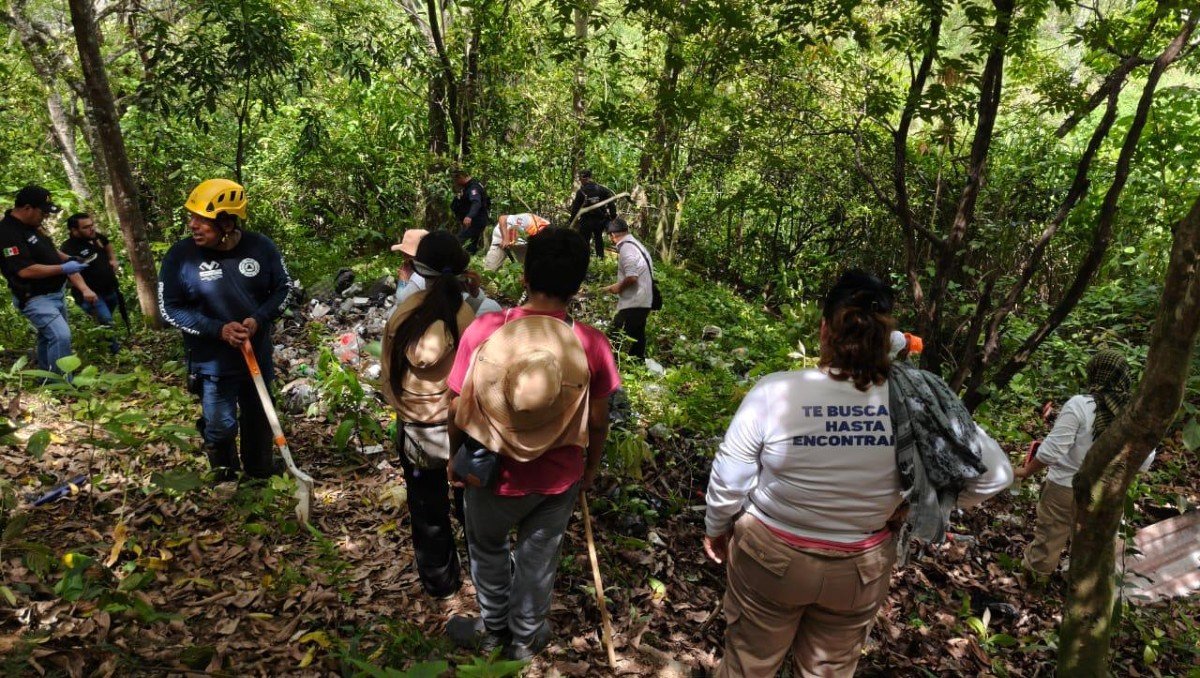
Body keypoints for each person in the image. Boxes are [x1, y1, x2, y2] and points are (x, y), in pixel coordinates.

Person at [703, 270, 1012, 678]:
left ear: (824, 330)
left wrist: (716, 526)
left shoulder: (775, 391)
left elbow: (729, 478)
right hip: (859, 569)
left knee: (748, 665)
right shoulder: (915, 400)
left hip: (771, 558)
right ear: (889, 339)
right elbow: (997, 475)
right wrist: (915, 505)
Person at [445, 227, 620, 660]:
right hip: (557, 478)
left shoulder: (486, 328)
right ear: (577, 287)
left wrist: (453, 456)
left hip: (489, 473)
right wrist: (590, 470)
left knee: (487, 548)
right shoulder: (592, 343)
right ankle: (524, 639)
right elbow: (599, 421)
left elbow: (455, 406)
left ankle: (493, 629)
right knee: (538, 559)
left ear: (524, 275)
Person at [159, 179, 292, 481]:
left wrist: (259, 318)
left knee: (259, 418)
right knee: (219, 425)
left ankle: (260, 472)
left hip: (256, 356)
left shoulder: (260, 247)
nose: (192, 225)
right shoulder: (181, 256)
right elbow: (170, 308)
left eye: (202, 220)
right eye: (191, 217)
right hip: (212, 364)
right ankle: (225, 477)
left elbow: (283, 288)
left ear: (227, 223)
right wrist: (219, 330)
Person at [381, 231, 476, 599]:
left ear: (417, 267)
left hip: (415, 430)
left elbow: (388, 369)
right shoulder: (468, 314)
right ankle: (487, 578)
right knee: (471, 507)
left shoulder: (404, 311)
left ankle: (441, 585)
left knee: (426, 509)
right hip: (462, 428)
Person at [1014, 349, 1152, 582]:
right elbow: (1144, 462)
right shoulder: (1136, 413)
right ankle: (1079, 589)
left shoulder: (1080, 405)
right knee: (1094, 547)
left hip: (1064, 487)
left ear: (1095, 373)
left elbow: (1052, 451)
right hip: (1108, 491)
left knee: (1050, 537)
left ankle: (1034, 583)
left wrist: (1026, 471)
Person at [0, 185, 97, 372]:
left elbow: (50, 250)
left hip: (55, 293)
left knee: (47, 337)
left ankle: (46, 379)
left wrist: (68, 259)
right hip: (34, 296)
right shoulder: (7, 233)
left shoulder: (33, 226)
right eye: (42, 212)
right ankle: (63, 381)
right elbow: (25, 270)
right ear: (27, 208)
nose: (45, 216)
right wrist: (63, 268)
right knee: (61, 336)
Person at [60, 213, 122, 352]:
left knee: (105, 320)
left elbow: (108, 245)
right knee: (106, 321)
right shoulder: (68, 248)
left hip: (110, 289)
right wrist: (85, 290)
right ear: (74, 230)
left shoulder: (96, 237)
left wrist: (113, 259)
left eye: (92, 225)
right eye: (86, 227)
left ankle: (101, 342)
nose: (91, 228)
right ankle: (115, 353)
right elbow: (71, 272)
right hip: (91, 294)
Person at [605, 218, 654, 359]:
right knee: (637, 336)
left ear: (612, 235)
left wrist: (619, 287)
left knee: (614, 334)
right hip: (644, 299)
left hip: (635, 301)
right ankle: (638, 361)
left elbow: (632, 277)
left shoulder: (627, 248)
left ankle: (609, 363)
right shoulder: (636, 244)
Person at [568, 169, 616, 259]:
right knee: (599, 239)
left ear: (584, 178)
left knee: (584, 241)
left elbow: (575, 209)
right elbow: (611, 203)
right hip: (600, 220)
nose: (580, 181)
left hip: (586, 220)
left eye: (581, 179)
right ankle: (600, 258)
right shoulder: (602, 189)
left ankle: (584, 259)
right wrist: (613, 216)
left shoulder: (581, 192)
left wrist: (572, 221)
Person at [483, 213, 549, 272]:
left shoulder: (547, 233)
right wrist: (505, 238)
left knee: (528, 268)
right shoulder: (529, 219)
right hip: (501, 238)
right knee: (490, 270)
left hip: (520, 243)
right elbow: (502, 218)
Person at [451, 169, 490, 255]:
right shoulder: (467, 187)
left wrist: (469, 216)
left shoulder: (473, 187)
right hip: (473, 221)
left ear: (461, 177)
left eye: (456, 180)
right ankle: (469, 259)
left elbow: (476, 202)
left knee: (459, 241)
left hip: (475, 221)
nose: (456, 183)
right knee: (471, 245)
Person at [390, 228, 428, 303]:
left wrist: (403, 280)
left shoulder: (419, 276)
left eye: (406, 254)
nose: (404, 256)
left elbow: (401, 301)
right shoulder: (432, 268)